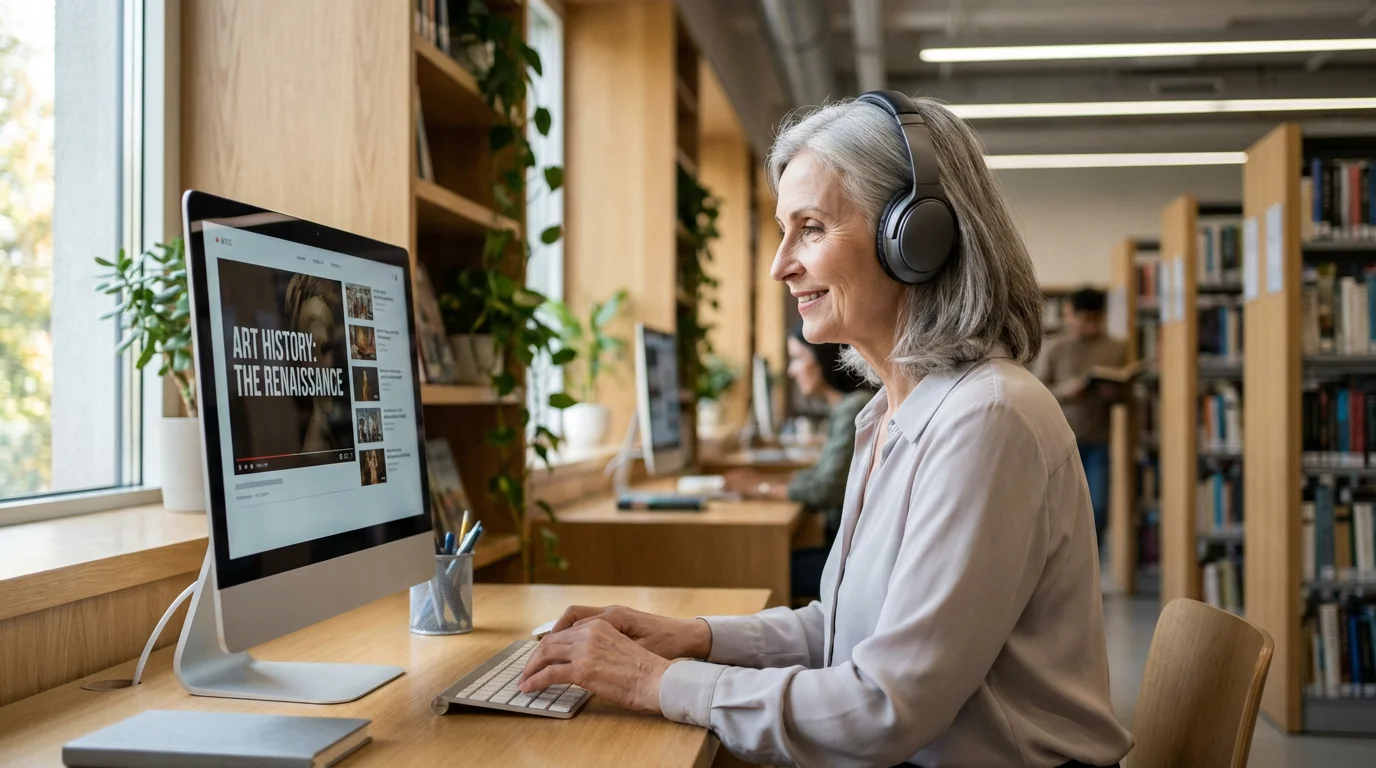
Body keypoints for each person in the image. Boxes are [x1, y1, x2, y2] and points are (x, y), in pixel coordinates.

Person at [516, 94, 1132, 767]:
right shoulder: (889, 414)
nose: (781, 264)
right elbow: (841, 629)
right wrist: (688, 637)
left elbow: (884, 707)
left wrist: (648, 680)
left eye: (810, 227)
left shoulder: (988, 418)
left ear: (917, 238)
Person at [723, 325, 873, 599]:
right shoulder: (846, 408)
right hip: (848, 552)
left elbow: (826, 488)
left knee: (756, 570)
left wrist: (761, 487)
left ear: (823, 359)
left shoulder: (855, 408)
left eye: (798, 358)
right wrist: (769, 483)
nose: (792, 371)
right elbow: (824, 476)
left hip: (852, 561)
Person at [1032, 287, 1126, 549]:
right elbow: (1035, 391)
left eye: (1096, 320)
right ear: (1070, 315)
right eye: (1084, 320)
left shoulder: (1116, 348)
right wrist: (1067, 390)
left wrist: (1115, 392)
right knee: (1059, 509)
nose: (1090, 326)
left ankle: (1089, 558)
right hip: (1061, 440)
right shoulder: (1055, 348)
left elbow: (1126, 396)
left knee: (1099, 506)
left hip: (1099, 439)